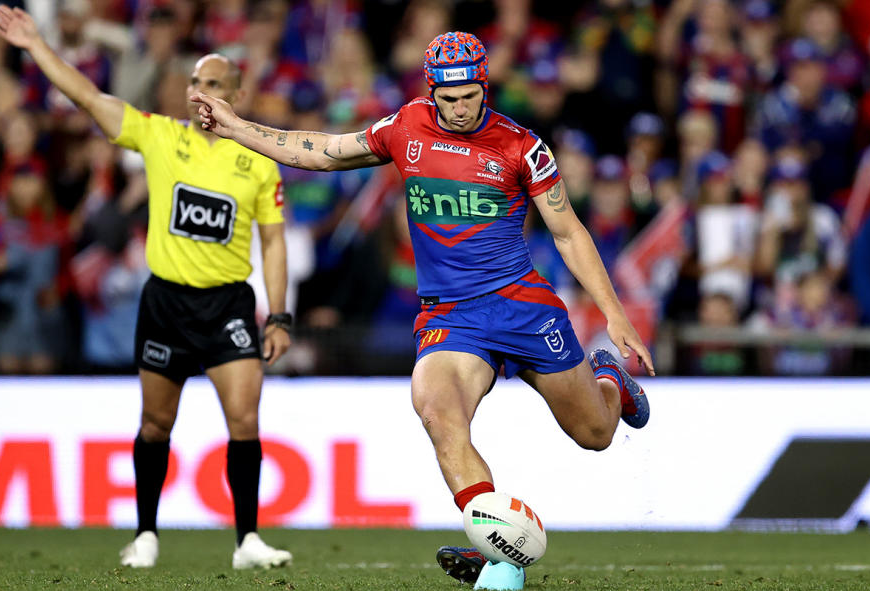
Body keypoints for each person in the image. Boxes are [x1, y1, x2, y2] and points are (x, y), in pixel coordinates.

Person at [192, 31, 654, 589]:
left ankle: (609, 383)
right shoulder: (405, 127)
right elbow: (319, 151)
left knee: (595, 434)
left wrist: (614, 314)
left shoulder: (522, 148)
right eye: (448, 97)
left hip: (522, 307)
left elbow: (568, 233)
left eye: (469, 96)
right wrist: (237, 127)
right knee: (438, 413)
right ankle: (499, 555)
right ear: (431, 89)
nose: (459, 108)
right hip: (450, 316)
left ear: (485, 86)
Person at [0, 6, 293, 569]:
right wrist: (35, 45)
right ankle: (147, 532)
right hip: (166, 301)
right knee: (156, 423)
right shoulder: (159, 136)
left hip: (227, 301)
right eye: (194, 83)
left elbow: (274, 243)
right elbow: (88, 97)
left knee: (245, 417)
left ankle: (248, 539)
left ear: (237, 94)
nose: (198, 91)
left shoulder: (258, 158)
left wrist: (279, 316)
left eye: (211, 84)